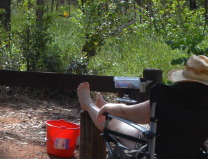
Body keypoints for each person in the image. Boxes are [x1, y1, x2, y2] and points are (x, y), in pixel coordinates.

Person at [77, 54, 208, 140]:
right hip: (189, 155)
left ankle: (88, 104)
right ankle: (102, 107)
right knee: (145, 120)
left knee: (110, 121)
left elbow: (126, 112)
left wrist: (108, 107)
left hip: (155, 151)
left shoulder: (169, 96)